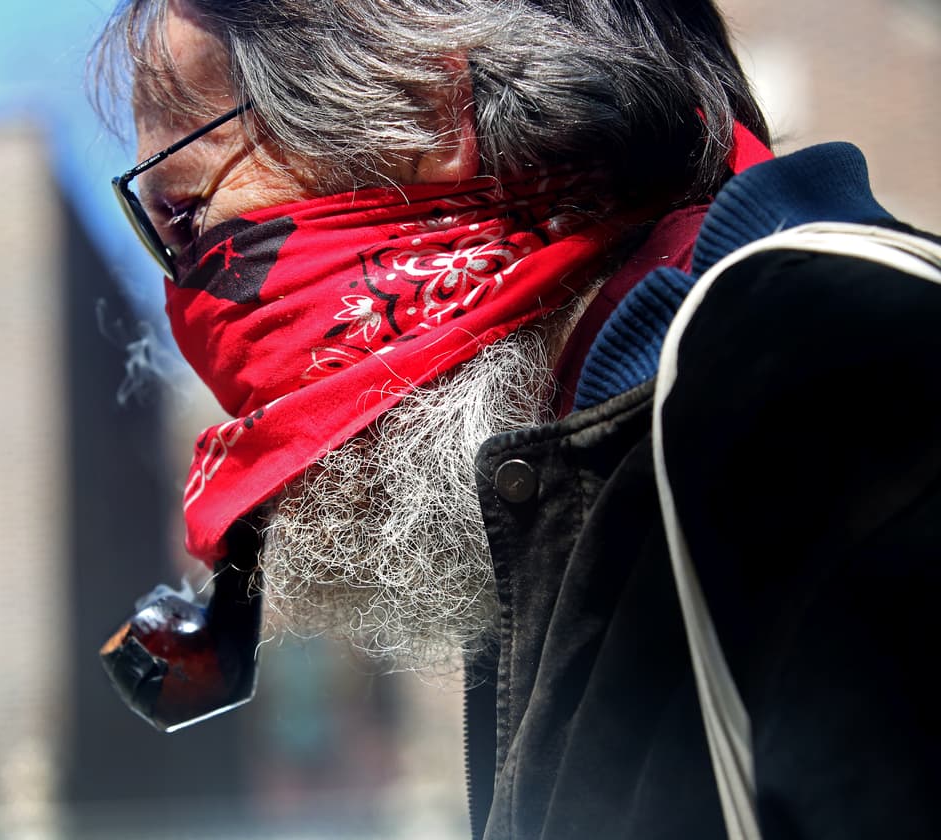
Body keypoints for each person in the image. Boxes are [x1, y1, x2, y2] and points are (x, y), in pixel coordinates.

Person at [93, 1, 941, 837]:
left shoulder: (839, 388)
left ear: (425, 113)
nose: (186, 304)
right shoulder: (573, 480)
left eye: (185, 218)